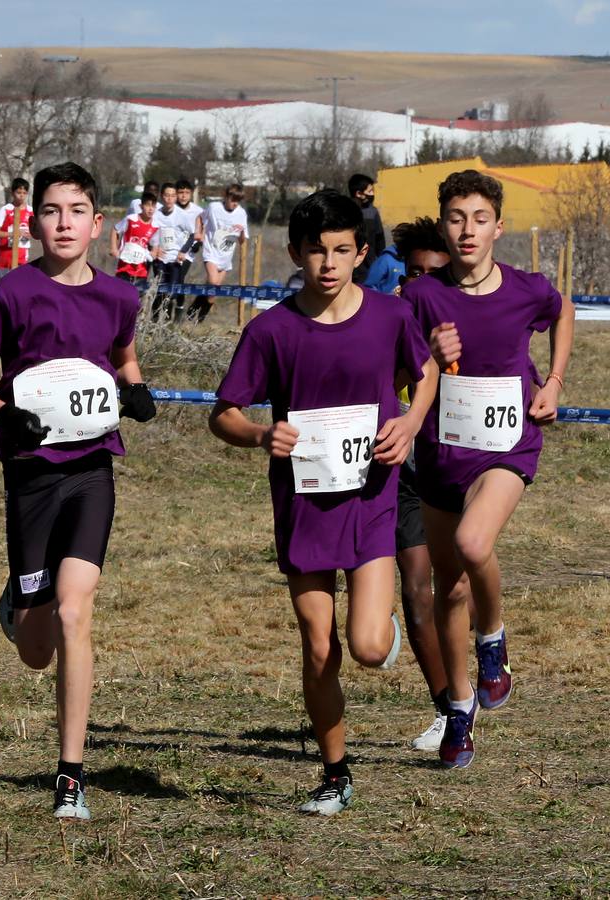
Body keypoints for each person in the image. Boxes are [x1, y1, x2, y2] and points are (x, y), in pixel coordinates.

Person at [209, 189, 438, 815]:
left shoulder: (391, 317)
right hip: (304, 506)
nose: (329, 264)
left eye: (342, 251)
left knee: (365, 647)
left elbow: (427, 374)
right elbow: (222, 415)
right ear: (295, 253)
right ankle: (335, 774)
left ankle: (381, 625)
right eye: (317, 252)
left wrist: (411, 422)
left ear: (361, 252)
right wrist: (260, 433)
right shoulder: (271, 330)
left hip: (370, 498)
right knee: (318, 647)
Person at [0, 162, 157, 821]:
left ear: (98, 225)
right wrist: (1, 412)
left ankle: (70, 776)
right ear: (33, 221)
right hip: (31, 475)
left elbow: (123, 357)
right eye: (51, 210)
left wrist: (134, 391)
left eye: (76, 210)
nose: (63, 222)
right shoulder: (12, 293)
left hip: (92, 470)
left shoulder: (118, 297)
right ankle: (20, 598)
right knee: (36, 650)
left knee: (76, 615)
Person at [403, 169, 574, 769]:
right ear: (444, 226)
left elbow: (564, 311)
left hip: (506, 447)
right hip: (442, 454)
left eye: (479, 219)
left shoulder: (527, 289)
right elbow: (400, 370)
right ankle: (458, 707)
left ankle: (492, 639)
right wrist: (429, 353)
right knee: (446, 588)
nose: (467, 230)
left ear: (499, 227)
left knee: (475, 544)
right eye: (456, 218)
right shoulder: (421, 295)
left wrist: (553, 381)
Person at [387, 217, 460, 751]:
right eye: (412, 272)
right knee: (416, 592)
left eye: (433, 274)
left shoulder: (463, 327)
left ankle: (479, 660)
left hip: (456, 470)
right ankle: (449, 709)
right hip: (402, 473)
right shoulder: (384, 319)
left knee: (456, 585)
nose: (419, 285)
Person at [188, 183, 250, 322]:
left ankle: (195, 317)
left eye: (238, 201)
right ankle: (195, 318)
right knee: (213, 282)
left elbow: (242, 240)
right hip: (211, 252)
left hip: (226, 257)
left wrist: (240, 233)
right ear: (226, 196)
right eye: (232, 199)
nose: (234, 203)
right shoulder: (214, 207)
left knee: (213, 294)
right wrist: (199, 232)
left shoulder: (241, 213)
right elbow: (200, 217)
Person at [150, 183, 195, 322]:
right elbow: (149, 233)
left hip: (175, 258)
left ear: (175, 198)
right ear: (161, 197)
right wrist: (153, 248)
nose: (169, 199)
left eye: (172, 196)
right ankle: (155, 320)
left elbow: (193, 235)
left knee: (172, 292)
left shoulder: (182, 215)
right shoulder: (156, 214)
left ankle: (167, 321)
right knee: (159, 289)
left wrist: (183, 251)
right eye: (166, 195)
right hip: (160, 258)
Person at [109, 187, 160, 298]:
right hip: (124, 266)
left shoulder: (155, 226)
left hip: (141, 269)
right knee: (120, 297)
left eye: (153, 206)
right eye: (148, 205)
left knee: (135, 300)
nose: (150, 209)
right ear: (141, 206)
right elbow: (115, 229)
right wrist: (114, 249)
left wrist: (154, 253)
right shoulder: (131, 219)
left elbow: (155, 244)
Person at [0, 177, 34, 271]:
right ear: (13, 193)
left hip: (22, 257)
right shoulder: (6, 209)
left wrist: (32, 233)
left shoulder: (31, 211)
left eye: (24, 193)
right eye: (19, 192)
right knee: (4, 284)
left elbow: (37, 232)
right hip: (5, 256)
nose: (21, 195)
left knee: (20, 284)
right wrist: (12, 234)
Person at [349, 173, 386, 284]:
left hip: (370, 266)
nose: (372, 194)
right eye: (370, 191)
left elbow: (380, 239)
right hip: (352, 266)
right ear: (359, 194)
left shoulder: (373, 212)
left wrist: (381, 260)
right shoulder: (346, 212)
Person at [174, 177, 206, 286]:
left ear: (191, 194)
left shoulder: (198, 211)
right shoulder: (171, 209)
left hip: (188, 252)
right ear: (176, 193)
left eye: (187, 193)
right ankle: (175, 302)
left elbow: (204, 229)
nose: (183, 196)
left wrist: (199, 242)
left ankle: (178, 303)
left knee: (179, 277)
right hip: (171, 249)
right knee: (170, 281)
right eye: (181, 192)